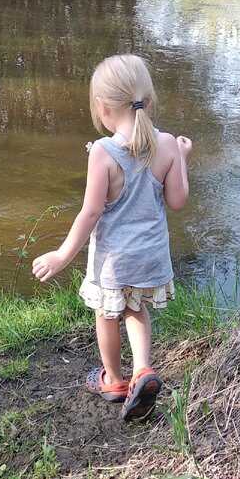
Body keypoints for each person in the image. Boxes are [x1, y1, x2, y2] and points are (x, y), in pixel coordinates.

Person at [32, 54, 192, 422]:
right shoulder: (167, 143)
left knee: (107, 314)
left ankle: (115, 381)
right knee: (137, 307)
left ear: (103, 107)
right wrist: (182, 157)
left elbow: (90, 213)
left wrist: (62, 254)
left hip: (113, 260)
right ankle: (143, 369)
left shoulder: (103, 153)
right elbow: (178, 201)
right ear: (146, 99)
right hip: (151, 255)